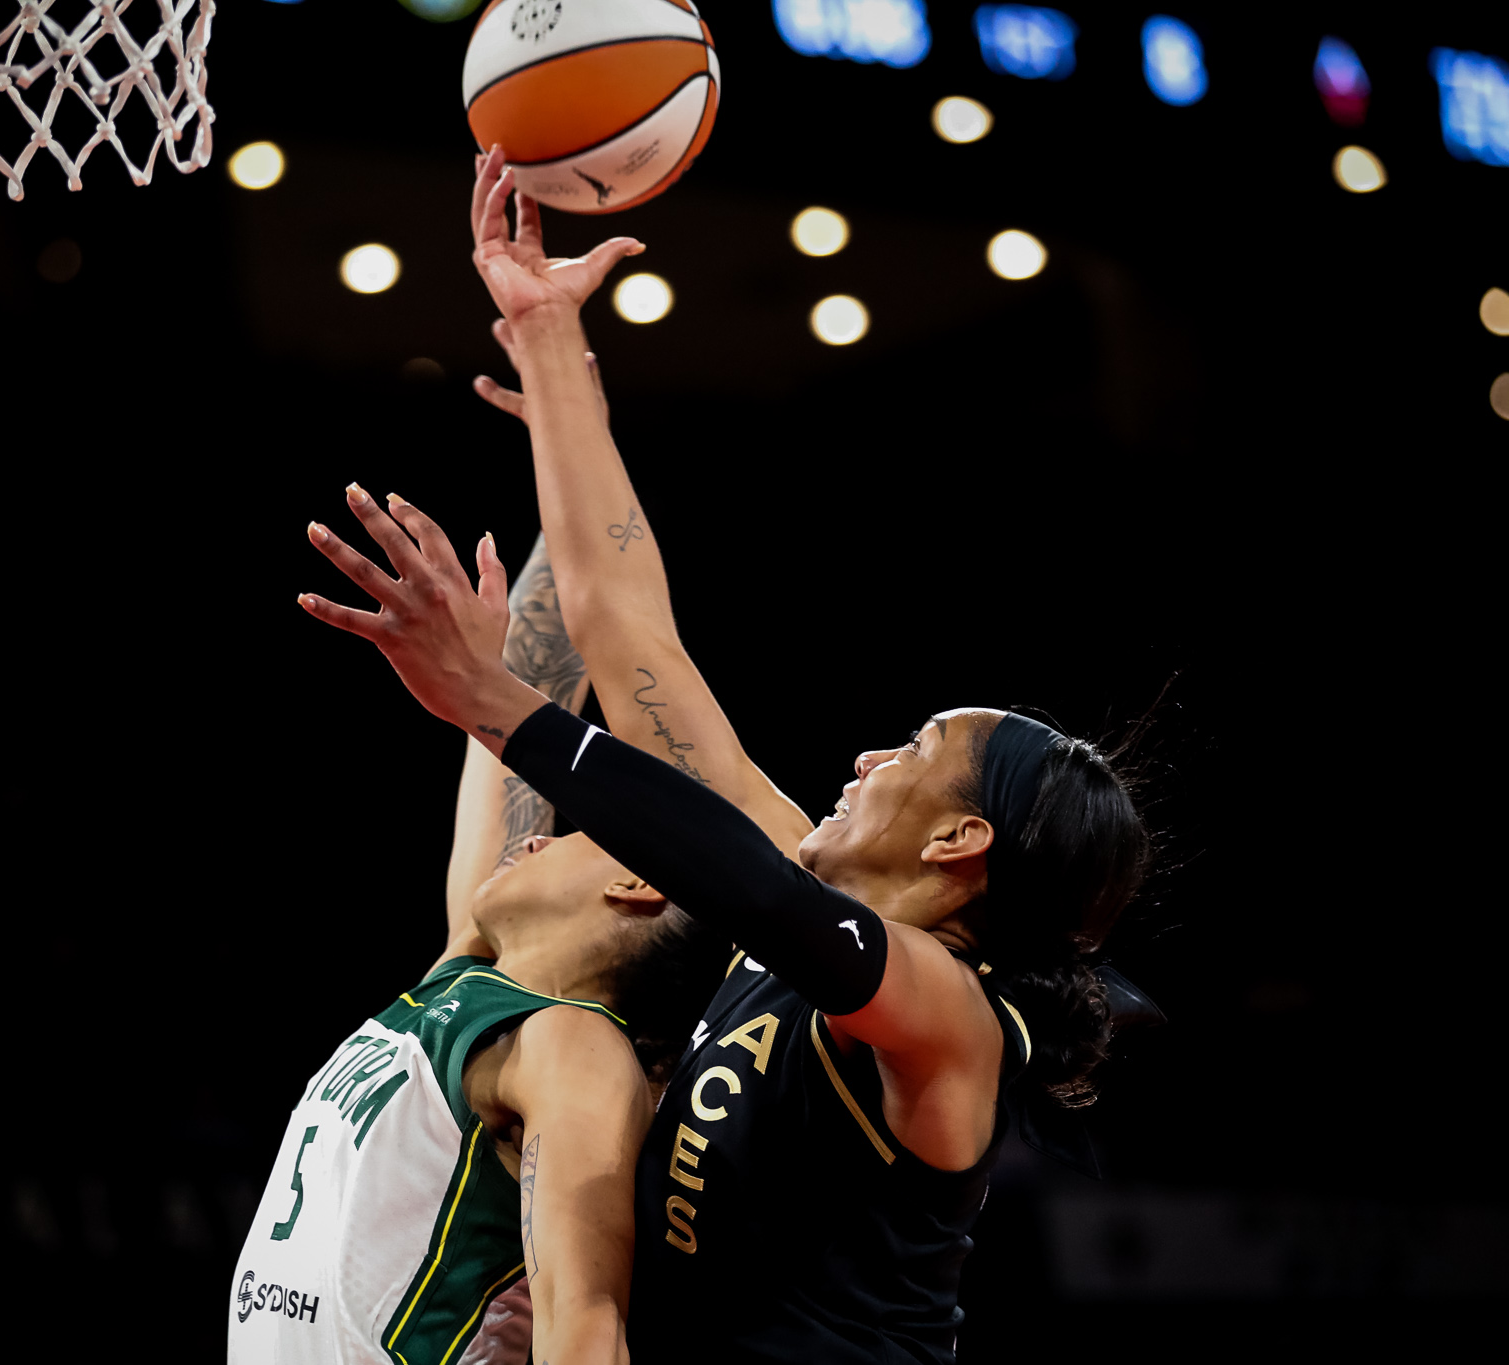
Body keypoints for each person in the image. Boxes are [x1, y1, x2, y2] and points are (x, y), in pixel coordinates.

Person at [295, 147, 1151, 1364]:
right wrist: (548, 338)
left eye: (915, 748)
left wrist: (504, 708)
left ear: (961, 840)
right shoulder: (791, 908)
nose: (869, 755)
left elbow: (751, 889)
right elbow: (624, 628)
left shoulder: (950, 1025)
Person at [228, 523, 729, 1365]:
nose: (537, 836)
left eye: (573, 833)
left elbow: (586, 1331)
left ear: (637, 883)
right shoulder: (465, 985)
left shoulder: (576, 1046)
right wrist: (564, 435)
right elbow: (527, 687)